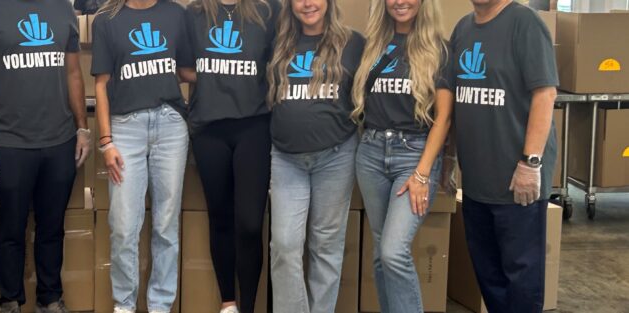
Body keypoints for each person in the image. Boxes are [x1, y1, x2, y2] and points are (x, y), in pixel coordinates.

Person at [0, 1, 91, 312]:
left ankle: (50, 297)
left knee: (52, 227)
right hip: (10, 141)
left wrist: (82, 128)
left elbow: (73, 72)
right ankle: (10, 299)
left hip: (59, 139)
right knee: (11, 227)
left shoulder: (63, 9)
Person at [440, 0, 558, 312]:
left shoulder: (525, 24)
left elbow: (545, 94)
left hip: (517, 182)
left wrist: (530, 163)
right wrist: (449, 160)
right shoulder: (463, 29)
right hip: (477, 180)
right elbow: (455, 102)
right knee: (488, 274)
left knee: (521, 278)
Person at [90, 0, 193, 312]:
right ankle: (124, 305)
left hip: (170, 124)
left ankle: (160, 305)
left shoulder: (176, 14)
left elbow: (185, 71)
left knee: (166, 224)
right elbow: (101, 85)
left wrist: (232, 73)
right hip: (125, 128)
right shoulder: (106, 20)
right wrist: (106, 142)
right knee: (123, 226)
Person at [349, 0, 452, 312]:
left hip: (414, 155)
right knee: (381, 253)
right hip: (371, 153)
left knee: (393, 251)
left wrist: (422, 173)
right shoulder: (373, 46)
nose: (399, 2)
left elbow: (444, 118)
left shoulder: (439, 50)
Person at [264, 0, 364, 311]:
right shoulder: (276, 43)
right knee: (284, 245)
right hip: (286, 159)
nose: (308, 3)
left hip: (336, 156)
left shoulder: (354, 43)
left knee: (326, 246)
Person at [183, 0, 278, 312]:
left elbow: (281, 61)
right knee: (220, 217)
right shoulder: (194, 13)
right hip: (209, 129)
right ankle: (228, 303)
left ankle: (248, 307)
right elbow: (182, 67)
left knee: (250, 222)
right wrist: (215, 78)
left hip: (254, 126)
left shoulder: (268, 10)